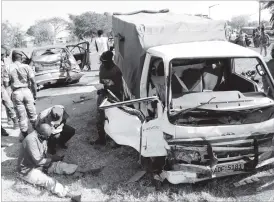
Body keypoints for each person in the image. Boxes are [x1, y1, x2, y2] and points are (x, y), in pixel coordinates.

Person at [17, 123, 103, 201]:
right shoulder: (30, 140)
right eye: (47, 136)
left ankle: (85, 171)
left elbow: (43, 155)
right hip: (27, 170)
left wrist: (53, 158)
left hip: (40, 165)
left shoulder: (41, 137)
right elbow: (38, 161)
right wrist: (52, 159)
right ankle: (70, 195)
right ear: (41, 134)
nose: (48, 138)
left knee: (61, 166)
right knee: (49, 181)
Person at [90, 50, 123, 145]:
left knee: (114, 118)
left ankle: (117, 141)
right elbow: (101, 81)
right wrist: (101, 88)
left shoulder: (116, 71)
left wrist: (105, 87)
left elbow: (117, 87)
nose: (102, 64)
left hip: (114, 96)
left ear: (109, 61)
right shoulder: (102, 67)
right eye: (101, 62)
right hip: (103, 95)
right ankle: (101, 139)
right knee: (99, 117)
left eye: (104, 62)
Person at [8, 50, 37, 138]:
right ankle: (37, 133)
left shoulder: (8, 68)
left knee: (21, 116)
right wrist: (34, 94)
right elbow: (33, 81)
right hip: (27, 91)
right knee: (32, 114)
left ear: (12, 58)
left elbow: (6, 84)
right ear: (21, 58)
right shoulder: (27, 67)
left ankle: (25, 136)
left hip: (16, 93)